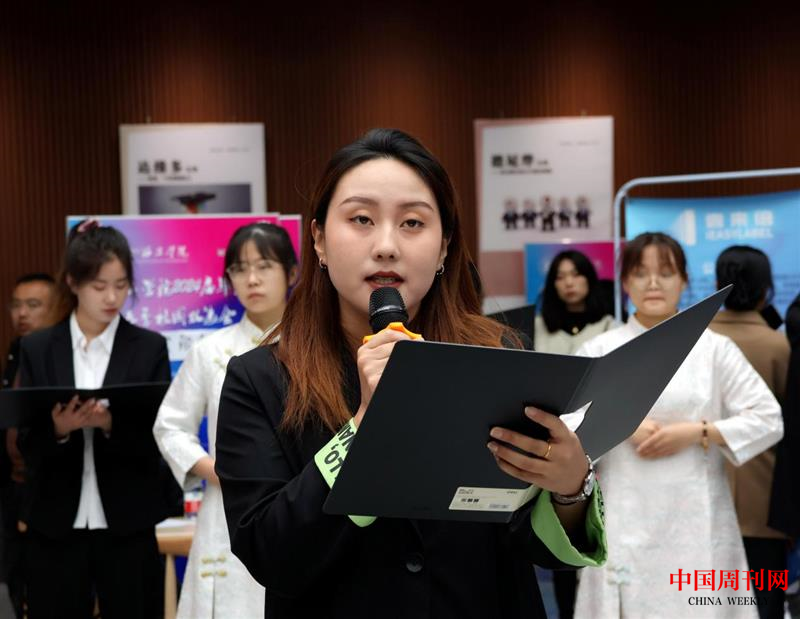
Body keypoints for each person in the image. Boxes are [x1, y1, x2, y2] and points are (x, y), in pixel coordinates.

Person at [215, 129, 607, 619]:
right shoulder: (259, 380)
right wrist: (365, 427)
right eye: (361, 219)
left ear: (444, 247)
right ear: (318, 240)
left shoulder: (499, 355)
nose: (386, 246)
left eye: (412, 223)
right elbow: (270, 554)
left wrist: (570, 487)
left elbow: (528, 540)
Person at [573, 232, 783, 618]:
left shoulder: (714, 349)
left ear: (684, 281)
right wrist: (619, 425)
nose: (653, 283)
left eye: (666, 273)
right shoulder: (599, 351)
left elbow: (768, 418)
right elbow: (566, 429)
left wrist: (699, 432)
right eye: (641, 273)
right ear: (625, 282)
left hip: (697, 519)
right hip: (624, 513)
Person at [16, 220, 178, 619]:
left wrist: (109, 425)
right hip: (54, 521)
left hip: (128, 520)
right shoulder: (37, 347)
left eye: (121, 285)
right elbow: (25, 443)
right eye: (99, 285)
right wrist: (60, 430)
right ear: (73, 282)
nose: (111, 297)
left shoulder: (148, 347)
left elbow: (158, 438)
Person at [153, 222, 298, 619]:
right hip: (229, 505)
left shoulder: (313, 348)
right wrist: (217, 470)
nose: (252, 279)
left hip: (302, 501)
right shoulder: (210, 350)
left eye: (264, 266)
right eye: (239, 268)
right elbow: (170, 426)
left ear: (291, 272)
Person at [708, 246, 790, 619]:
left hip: (702, 490)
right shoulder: (780, 346)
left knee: (704, 600)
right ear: (766, 288)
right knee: (765, 599)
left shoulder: (696, 340)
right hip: (766, 502)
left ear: (716, 284)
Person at [1, 273, 55, 618]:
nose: (22, 313)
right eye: (16, 305)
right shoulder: (15, 354)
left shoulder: (58, 357)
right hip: (12, 490)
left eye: (33, 305)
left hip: (48, 490)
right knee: (12, 579)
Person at [534, 250, 615, 356]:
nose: (569, 283)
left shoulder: (608, 325)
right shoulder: (538, 325)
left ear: (589, 279)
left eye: (576, 274)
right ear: (553, 285)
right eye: (560, 277)